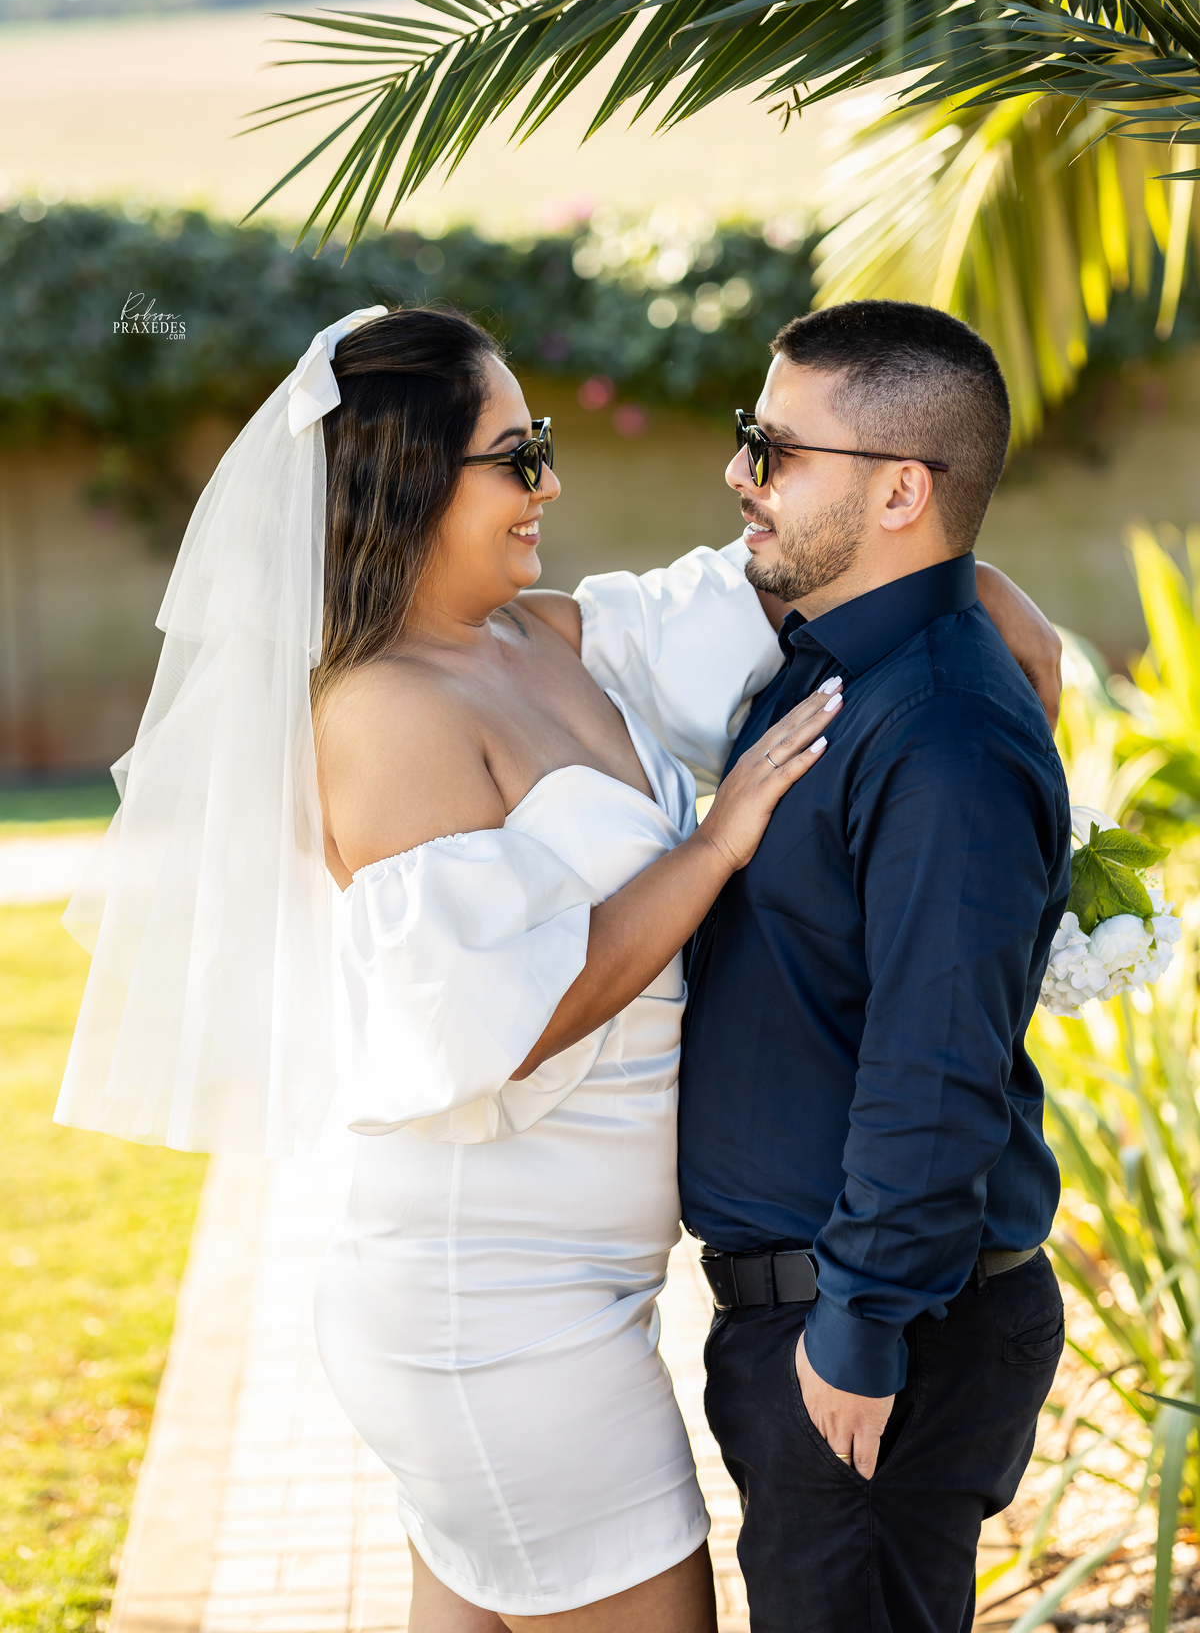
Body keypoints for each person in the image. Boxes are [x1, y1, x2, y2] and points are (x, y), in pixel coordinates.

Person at [55, 300, 1061, 1633]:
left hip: (586, 1302)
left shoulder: (559, 637)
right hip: (497, 1309)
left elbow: (793, 581)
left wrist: (973, 584)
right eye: (517, 455)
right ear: (412, 478)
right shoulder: (383, 712)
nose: (552, 480)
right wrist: (707, 852)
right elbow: (488, 1021)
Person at [674, 301, 1071, 1633]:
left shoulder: (941, 730)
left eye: (772, 448)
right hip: (826, 1323)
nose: (740, 474)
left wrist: (858, 1327)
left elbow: (938, 1058)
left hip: (874, 1342)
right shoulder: (835, 664)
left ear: (902, 490)